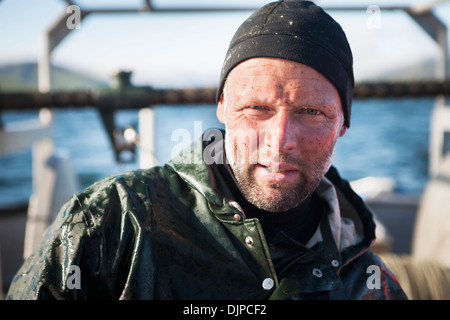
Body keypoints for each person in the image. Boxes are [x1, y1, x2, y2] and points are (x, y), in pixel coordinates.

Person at [7, 0, 407, 300]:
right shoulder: (108, 225)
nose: (281, 139)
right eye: (257, 108)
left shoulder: (370, 285)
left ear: (343, 125)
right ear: (222, 108)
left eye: (311, 111)